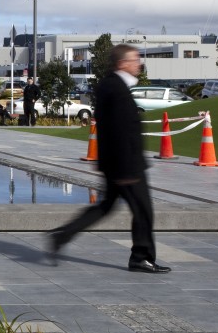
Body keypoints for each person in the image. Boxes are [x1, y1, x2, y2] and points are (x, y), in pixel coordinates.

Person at [48, 44, 170, 273]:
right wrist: (126, 170)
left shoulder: (111, 85)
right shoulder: (116, 88)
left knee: (105, 206)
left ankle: (62, 235)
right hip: (126, 166)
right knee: (143, 210)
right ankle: (141, 257)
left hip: (117, 163)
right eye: (135, 60)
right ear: (123, 63)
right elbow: (118, 130)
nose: (139, 64)